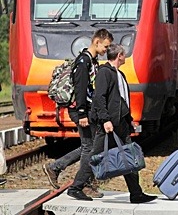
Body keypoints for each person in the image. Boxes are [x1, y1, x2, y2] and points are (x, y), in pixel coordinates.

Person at [45, 29, 113, 200]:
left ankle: (57, 167)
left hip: (86, 110)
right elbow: (80, 89)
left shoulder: (92, 60)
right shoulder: (83, 62)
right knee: (89, 147)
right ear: (97, 41)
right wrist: (82, 113)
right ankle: (83, 185)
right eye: (106, 46)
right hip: (80, 110)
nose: (107, 49)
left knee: (87, 146)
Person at [89, 43, 157, 204]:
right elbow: (99, 98)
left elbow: (122, 100)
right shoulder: (104, 73)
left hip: (121, 123)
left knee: (129, 156)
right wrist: (105, 119)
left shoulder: (120, 74)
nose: (125, 57)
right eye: (124, 54)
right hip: (108, 123)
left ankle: (136, 193)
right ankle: (77, 185)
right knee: (95, 155)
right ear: (119, 56)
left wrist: (129, 120)